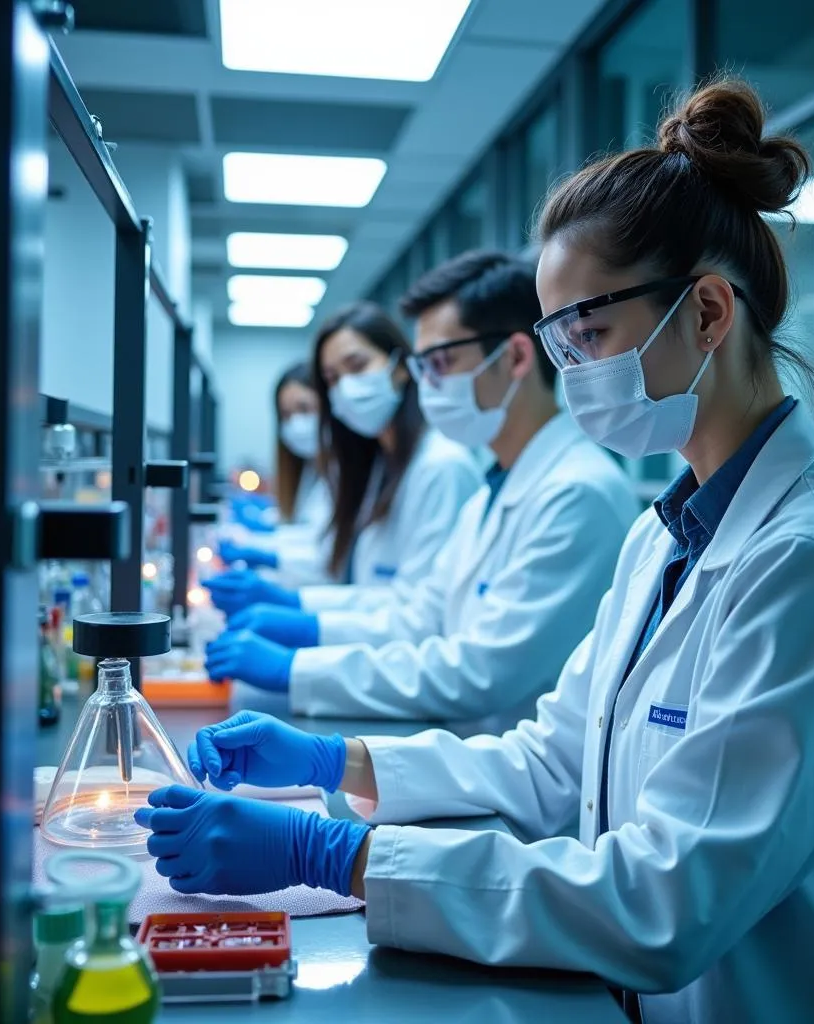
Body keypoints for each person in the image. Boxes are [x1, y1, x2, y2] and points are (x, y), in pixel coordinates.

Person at [138, 79, 814, 1023]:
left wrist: (336, 856)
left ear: (707, 313)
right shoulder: (665, 534)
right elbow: (554, 762)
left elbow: (669, 900)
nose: (572, 373)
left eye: (591, 334)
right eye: (559, 341)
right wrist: (341, 763)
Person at [207, 250, 640, 719]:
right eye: (424, 367)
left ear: (515, 356)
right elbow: (419, 617)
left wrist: (297, 668)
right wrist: (303, 623)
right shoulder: (491, 496)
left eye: (443, 362)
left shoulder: (577, 495)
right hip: (463, 756)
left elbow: (478, 673)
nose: (429, 385)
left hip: (512, 772)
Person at [203, 302, 481, 691]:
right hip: (382, 672)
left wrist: (302, 632)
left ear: (401, 367)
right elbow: (372, 593)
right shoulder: (379, 468)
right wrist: (297, 610)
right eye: (332, 378)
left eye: (356, 366)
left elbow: (420, 620)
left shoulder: (441, 468)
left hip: (414, 687)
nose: (345, 388)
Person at [218, 362, 336, 586]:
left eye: (304, 408)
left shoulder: (341, 473)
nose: (295, 423)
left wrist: (262, 549)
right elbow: (309, 534)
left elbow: (325, 554)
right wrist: (259, 535)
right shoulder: (311, 469)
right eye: (286, 415)